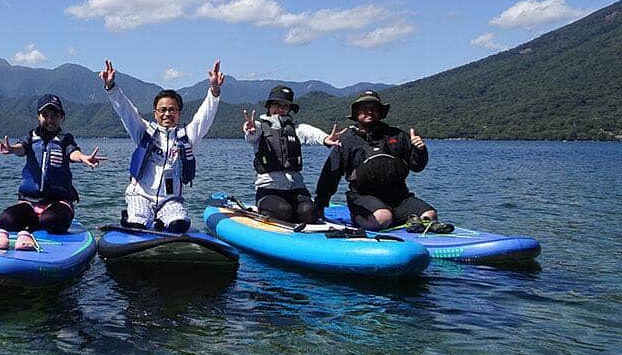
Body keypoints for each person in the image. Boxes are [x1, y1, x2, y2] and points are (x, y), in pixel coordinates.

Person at [100, 59, 224, 232]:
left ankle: (160, 221)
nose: (167, 114)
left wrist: (214, 91)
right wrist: (111, 87)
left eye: (172, 110)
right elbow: (126, 111)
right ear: (155, 113)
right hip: (141, 195)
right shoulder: (144, 132)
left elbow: (204, 118)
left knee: (179, 225)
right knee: (138, 224)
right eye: (163, 110)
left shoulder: (186, 137)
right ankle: (136, 217)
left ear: (179, 113)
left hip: (170, 200)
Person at [314, 90, 451, 232]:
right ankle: (366, 219)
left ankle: (404, 219)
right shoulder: (346, 140)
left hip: (399, 196)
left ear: (380, 112)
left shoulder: (397, 135)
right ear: (356, 113)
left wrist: (420, 149)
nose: (369, 112)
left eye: (374, 108)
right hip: (363, 196)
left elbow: (417, 167)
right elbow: (330, 175)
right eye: (364, 108)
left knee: (430, 215)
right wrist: (320, 204)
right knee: (383, 218)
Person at [0, 94, 104, 251]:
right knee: (6, 220)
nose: (50, 120)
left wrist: (83, 158)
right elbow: (21, 148)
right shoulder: (31, 136)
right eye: (45, 115)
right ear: (38, 116)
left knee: (52, 220)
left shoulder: (66, 139)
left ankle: (29, 228)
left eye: (55, 116)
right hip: (30, 201)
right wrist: (11, 149)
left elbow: (73, 153)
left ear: (61, 117)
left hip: (58, 202)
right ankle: (29, 226)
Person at [243, 85, 343, 224]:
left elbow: (310, 133)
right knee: (284, 211)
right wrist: (250, 130)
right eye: (276, 105)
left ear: (289, 109)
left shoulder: (296, 129)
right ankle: (266, 211)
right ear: (269, 106)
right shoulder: (259, 127)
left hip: (296, 189)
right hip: (269, 189)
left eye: (285, 106)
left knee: (310, 212)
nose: (280, 109)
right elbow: (251, 136)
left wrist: (326, 139)